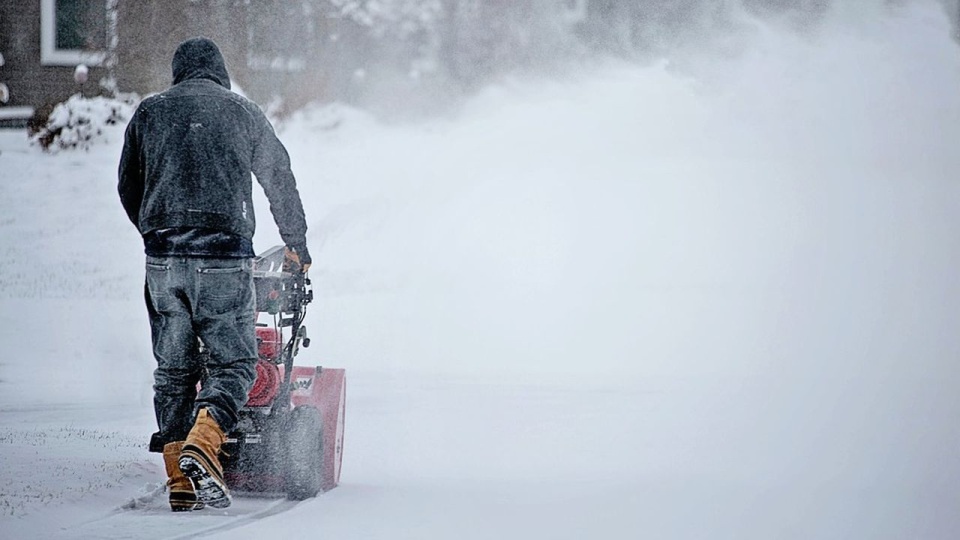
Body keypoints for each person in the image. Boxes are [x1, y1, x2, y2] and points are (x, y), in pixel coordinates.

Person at [118, 37, 311, 511]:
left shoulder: (149, 112)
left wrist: (154, 230)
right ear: (220, 73)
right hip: (224, 257)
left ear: (178, 72)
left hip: (163, 258)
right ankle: (202, 447)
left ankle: (179, 481)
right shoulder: (242, 112)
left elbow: (127, 184)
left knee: (174, 372)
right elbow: (278, 176)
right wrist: (296, 244)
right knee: (234, 365)